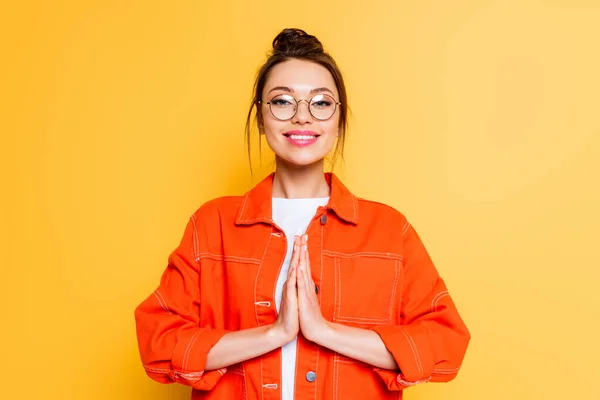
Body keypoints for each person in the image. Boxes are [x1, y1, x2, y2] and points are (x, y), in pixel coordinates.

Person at [134, 28, 470, 400]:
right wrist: (274, 333)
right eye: (282, 102)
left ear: (339, 121)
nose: (302, 117)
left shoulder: (389, 230)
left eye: (321, 103)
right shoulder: (212, 225)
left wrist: (323, 331)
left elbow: (446, 343)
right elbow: (158, 343)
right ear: (261, 120)